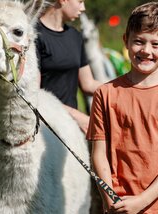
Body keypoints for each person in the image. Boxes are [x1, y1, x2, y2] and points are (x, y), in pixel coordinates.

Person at [87, 2, 158, 213]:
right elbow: (99, 153)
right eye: (138, 41)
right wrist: (108, 197)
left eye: (156, 44)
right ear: (126, 41)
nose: (146, 51)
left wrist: (142, 201)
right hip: (119, 205)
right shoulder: (105, 93)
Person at [35, 0, 101, 134]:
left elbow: (88, 84)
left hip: (69, 127)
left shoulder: (75, 36)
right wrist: (76, 116)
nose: (83, 8)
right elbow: (34, 94)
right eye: (80, 1)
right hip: (42, 127)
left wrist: (122, 90)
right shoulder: (33, 36)